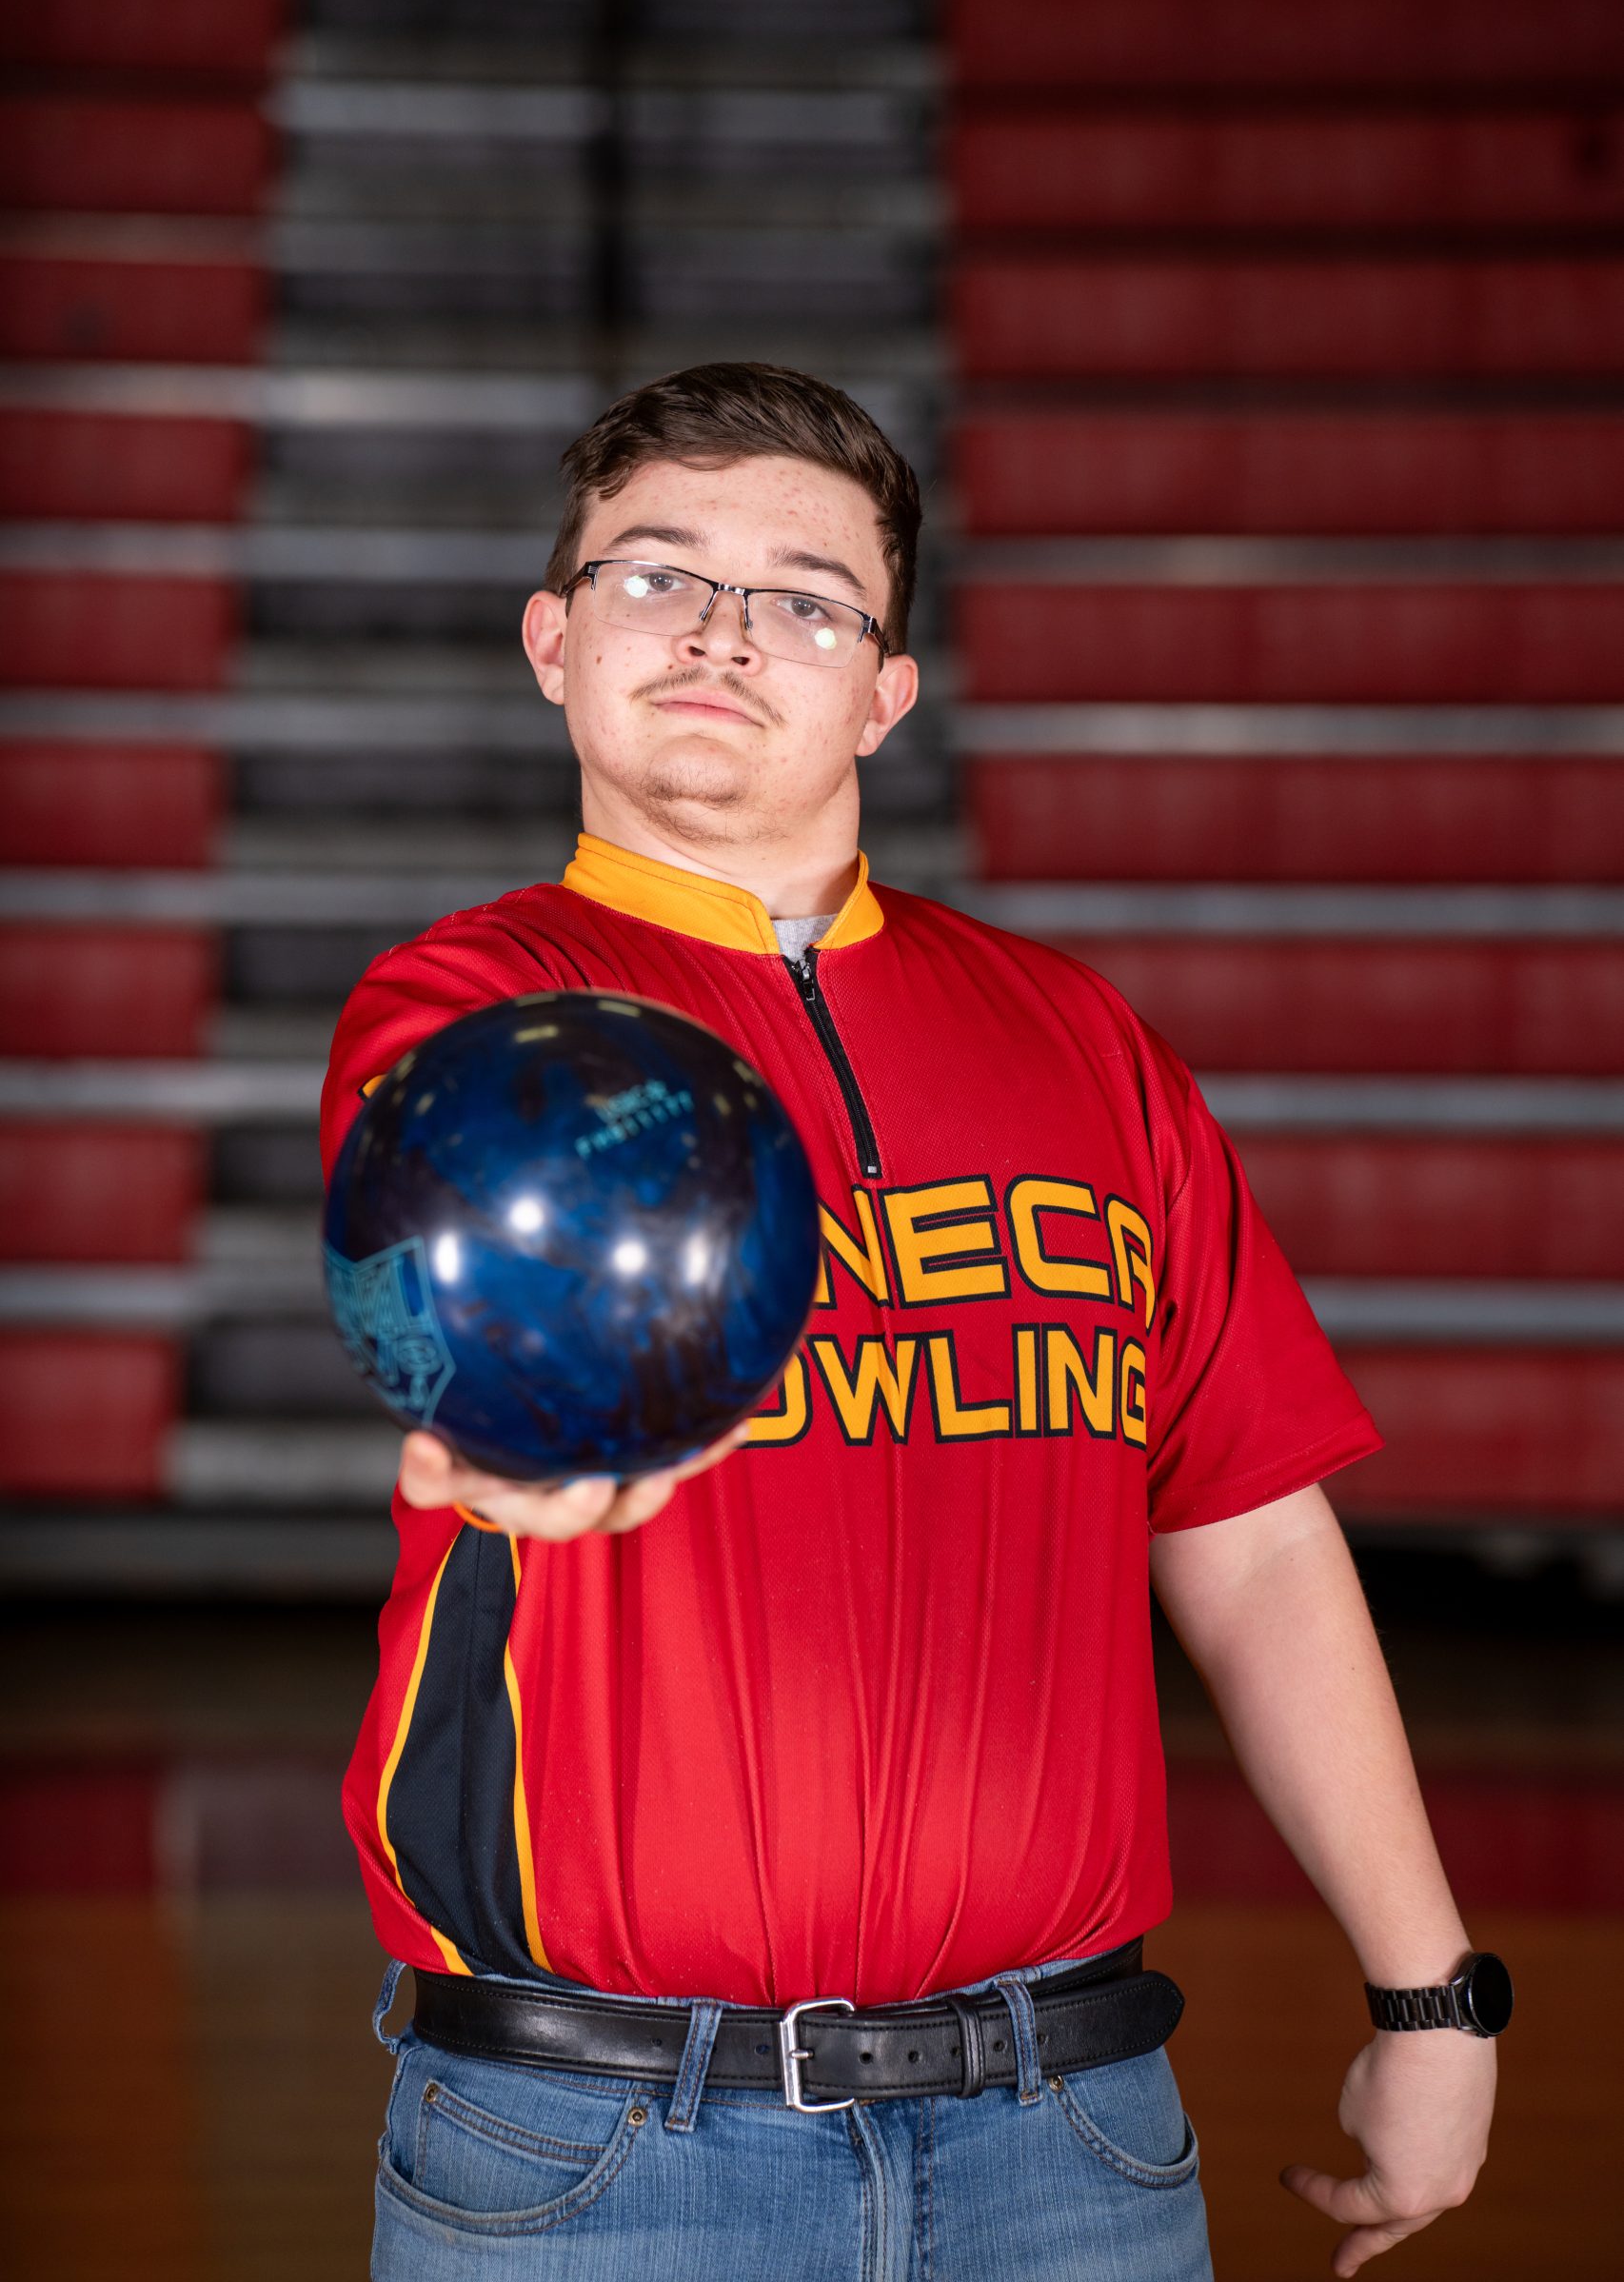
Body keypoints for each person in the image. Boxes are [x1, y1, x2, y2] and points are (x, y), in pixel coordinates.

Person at [320, 362, 1504, 2282]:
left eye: (803, 597)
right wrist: (528, 1437)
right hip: (595, 2142)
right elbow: (448, 1209)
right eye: (654, 574)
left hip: (1072, 2129)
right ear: (553, 641)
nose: (718, 631)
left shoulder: (1082, 1045)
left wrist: (1430, 1995)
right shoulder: (477, 1008)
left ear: (884, 692)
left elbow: (1249, 1530)